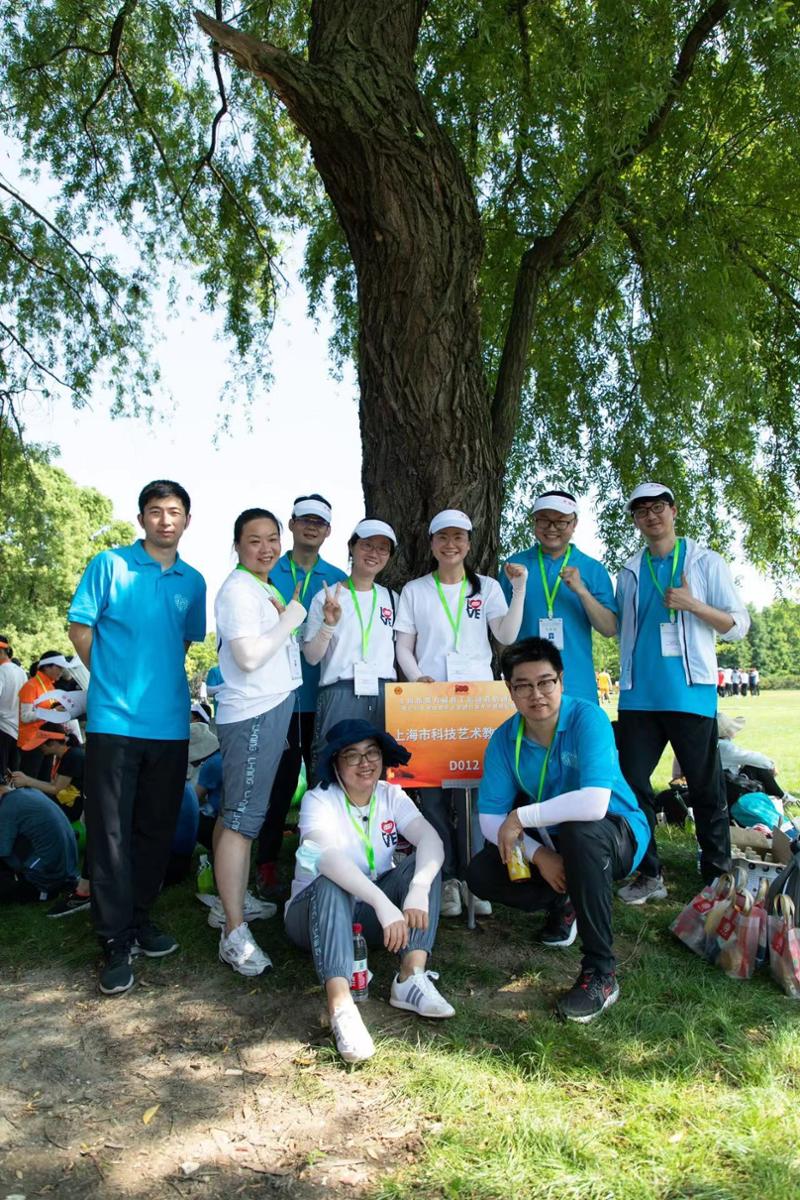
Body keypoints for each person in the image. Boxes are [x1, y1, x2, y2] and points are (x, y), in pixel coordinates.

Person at [68, 479, 206, 995]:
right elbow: (80, 627)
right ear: (142, 518)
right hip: (114, 722)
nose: (165, 520)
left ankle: (140, 917)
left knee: (155, 828)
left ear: (187, 520)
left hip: (169, 725)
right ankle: (113, 937)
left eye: (174, 511)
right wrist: (107, 678)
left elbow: (183, 642)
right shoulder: (110, 565)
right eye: (155, 511)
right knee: (110, 833)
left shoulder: (194, 582)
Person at [465, 637, 650, 1023]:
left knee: (581, 833)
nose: (536, 694)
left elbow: (594, 803)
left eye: (545, 682)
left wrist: (520, 818)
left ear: (561, 681)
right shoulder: (505, 739)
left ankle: (601, 973)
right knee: (482, 871)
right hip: (555, 843)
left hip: (616, 833)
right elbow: (490, 820)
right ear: (510, 690)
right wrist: (540, 856)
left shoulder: (587, 719)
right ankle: (565, 902)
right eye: (523, 685)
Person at [285, 719, 454, 1063]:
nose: (365, 763)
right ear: (335, 762)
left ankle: (411, 976)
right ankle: (341, 1005)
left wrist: (419, 887)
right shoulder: (319, 799)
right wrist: (382, 902)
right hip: (315, 915)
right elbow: (325, 857)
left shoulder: (391, 794)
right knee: (330, 878)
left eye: (372, 753)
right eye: (353, 755)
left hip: (372, 919)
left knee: (423, 864)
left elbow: (430, 838)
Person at [614, 482, 749, 904]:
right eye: (642, 511)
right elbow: (620, 628)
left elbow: (739, 625)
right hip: (638, 697)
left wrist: (694, 605)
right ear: (636, 520)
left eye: (658, 507)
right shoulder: (630, 571)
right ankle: (648, 872)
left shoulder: (706, 561)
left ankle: (716, 875)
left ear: (673, 511)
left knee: (706, 789)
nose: (651, 516)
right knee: (631, 783)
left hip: (690, 693)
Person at [394, 508, 527, 918]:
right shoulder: (415, 590)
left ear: (469, 543)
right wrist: (416, 676)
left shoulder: (487, 587)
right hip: (431, 702)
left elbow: (506, 634)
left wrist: (519, 588)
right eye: (443, 537)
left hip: (477, 705)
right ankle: (448, 878)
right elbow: (403, 646)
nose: (450, 545)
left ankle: (476, 879)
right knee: (433, 797)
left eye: (458, 537)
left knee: (475, 797)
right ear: (432, 543)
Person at [212, 507, 306, 976]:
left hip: (268, 708)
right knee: (243, 820)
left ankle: (227, 901)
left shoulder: (261, 586)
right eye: (254, 540)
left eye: (272, 539)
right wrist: (291, 619)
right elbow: (248, 656)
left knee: (236, 812)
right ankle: (233, 932)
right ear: (237, 545)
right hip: (252, 711)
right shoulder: (237, 591)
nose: (266, 548)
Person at [255, 494, 348, 898]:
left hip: (322, 697)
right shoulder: (267, 569)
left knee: (325, 783)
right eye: (305, 520)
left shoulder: (338, 579)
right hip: (276, 696)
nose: (312, 527)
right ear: (291, 524)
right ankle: (266, 862)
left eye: (320, 522)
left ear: (328, 531)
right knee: (278, 784)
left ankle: (330, 861)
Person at [501, 490, 617, 704]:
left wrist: (582, 591)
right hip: (527, 688)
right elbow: (500, 632)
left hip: (578, 686)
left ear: (574, 523)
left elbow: (609, 628)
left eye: (561, 522)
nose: (552, 528)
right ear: (534, 523)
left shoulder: (592, 569)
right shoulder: (514, 567)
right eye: (544, 520)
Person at [303, 519, 399, 777]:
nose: (374, 553)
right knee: (331, 765)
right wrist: (329, 624)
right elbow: (311, 657)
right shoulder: (326, 597)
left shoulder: (392, 598)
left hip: (385, 692)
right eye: (367, 545)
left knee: (379, 768)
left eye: (382, 548)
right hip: (340, 691)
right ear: (352, 547)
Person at [12, 734, 91, 917]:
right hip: (66, 805)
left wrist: (27, 781)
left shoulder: (73, 756)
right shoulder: (65, 755)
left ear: (53, 743)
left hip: (71, 809)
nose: (40, 749)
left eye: (42, 745)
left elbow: (56, 788)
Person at [0, 783, 79, 903]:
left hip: (43, 882)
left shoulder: (8, 806)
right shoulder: (30, 792)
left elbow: (3, 850)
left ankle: (41, 891)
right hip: (66, 872)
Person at [16, 651, 69, 779]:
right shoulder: (31, 686)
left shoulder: (50, 686)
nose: (62, 671)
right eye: (59, 667)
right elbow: (25, 716)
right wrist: (52, 712)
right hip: (31, 743)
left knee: (44, 781)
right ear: (46, 667)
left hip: (48, 741)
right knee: (29, 782)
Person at [0, 636, 26, 775]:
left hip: (2, 727)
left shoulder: (1, 671)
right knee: (12, 774)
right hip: (16, 729)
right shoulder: (20, 671)